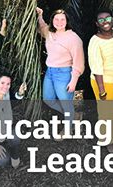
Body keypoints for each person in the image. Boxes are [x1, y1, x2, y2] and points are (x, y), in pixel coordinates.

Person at [36, 7, 84, 141]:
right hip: (50, 72)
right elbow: (42, 26)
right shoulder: (50, 33)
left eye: (62, 19)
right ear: (52, 21)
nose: (59, 22)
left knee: (66, 104)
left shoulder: (73, 38)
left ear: (66, 21)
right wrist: (40, 15)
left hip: (64, 73)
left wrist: (74, 80)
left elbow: (79, 62)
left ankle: (67, 129)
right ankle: (74, 116)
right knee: (48, 99)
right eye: (56, 19)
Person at [88, 7, 113, 154]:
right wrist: (102, 91)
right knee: (106, 113)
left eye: (107, 18)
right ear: (97, 23)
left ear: (112, 19)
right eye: (101, 20)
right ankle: (107, 142)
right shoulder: (95, 41)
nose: (105, 22)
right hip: (103, 82)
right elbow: (96, 68)